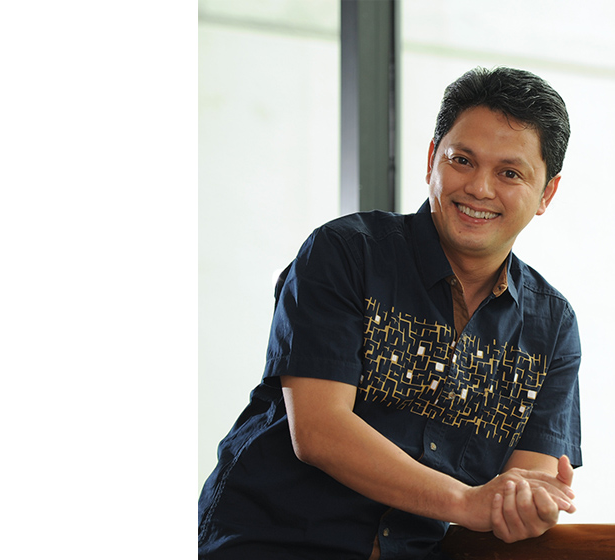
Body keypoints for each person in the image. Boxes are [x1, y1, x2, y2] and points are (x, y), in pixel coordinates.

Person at [198, 66, 582, 560]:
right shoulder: (344, 253)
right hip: (270, 542)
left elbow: (520, 490)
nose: (480, 189)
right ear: (431, 160)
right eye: (462, 160)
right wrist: (467, 502)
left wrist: (529, 504)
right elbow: (318, 431)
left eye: (510, 173)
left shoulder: (552, 327)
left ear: (546, 193)